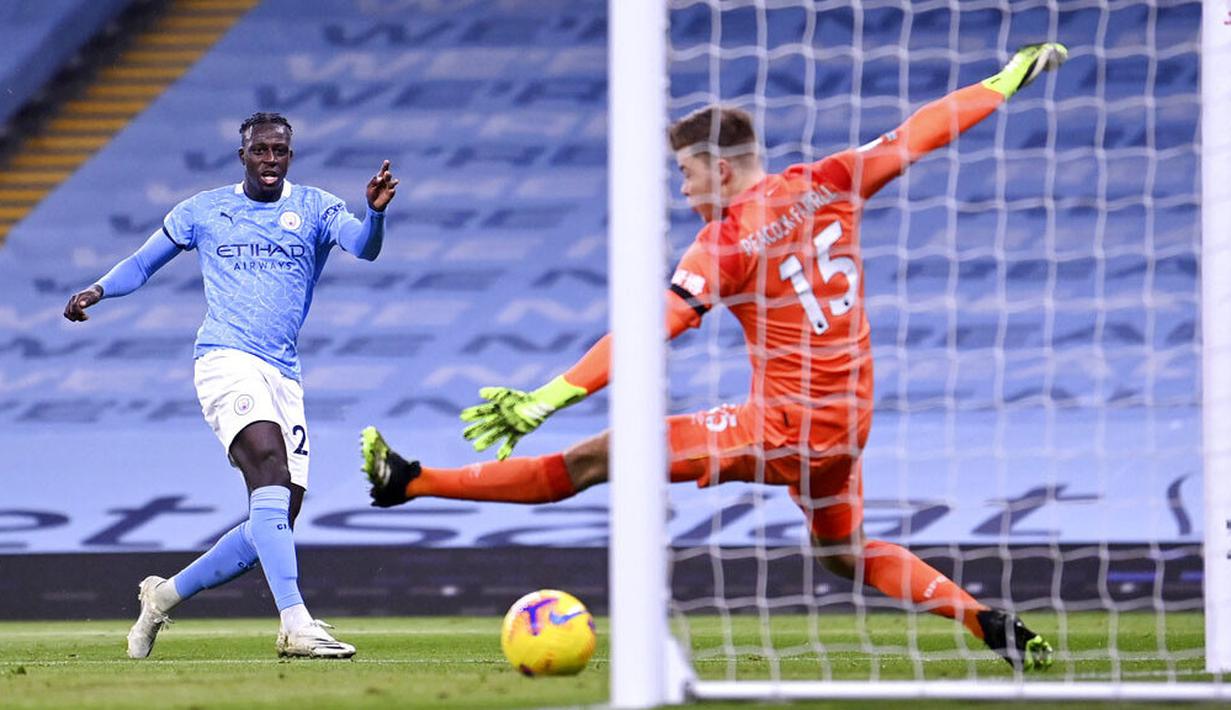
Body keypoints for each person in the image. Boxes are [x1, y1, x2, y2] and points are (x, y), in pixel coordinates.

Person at [361, 45, 1065, 670]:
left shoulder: (726, 244)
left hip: (782, 428)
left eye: (686, 172)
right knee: (844, 554)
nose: (682, 189)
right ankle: (982, 619)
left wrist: (550, 396)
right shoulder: (830, 181)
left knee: (594, 459)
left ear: (720, 169)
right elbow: (921, 132)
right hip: (848, 426)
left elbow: (651, 328)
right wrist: (1003, 81)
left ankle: (411, 483)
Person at [65, 112, 398, 659]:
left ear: (290, 156)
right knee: (267, 466)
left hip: (283, 373)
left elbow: (363, 247)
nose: (270, 160)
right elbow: (143, 263)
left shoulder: (316, 207)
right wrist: (98, 290)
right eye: (260, 150)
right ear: (242, 155)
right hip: (225, 360)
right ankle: (295, 623)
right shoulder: (203, 210)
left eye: (280, 151)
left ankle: (162, 597)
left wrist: (376, 214)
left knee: (274, 519)